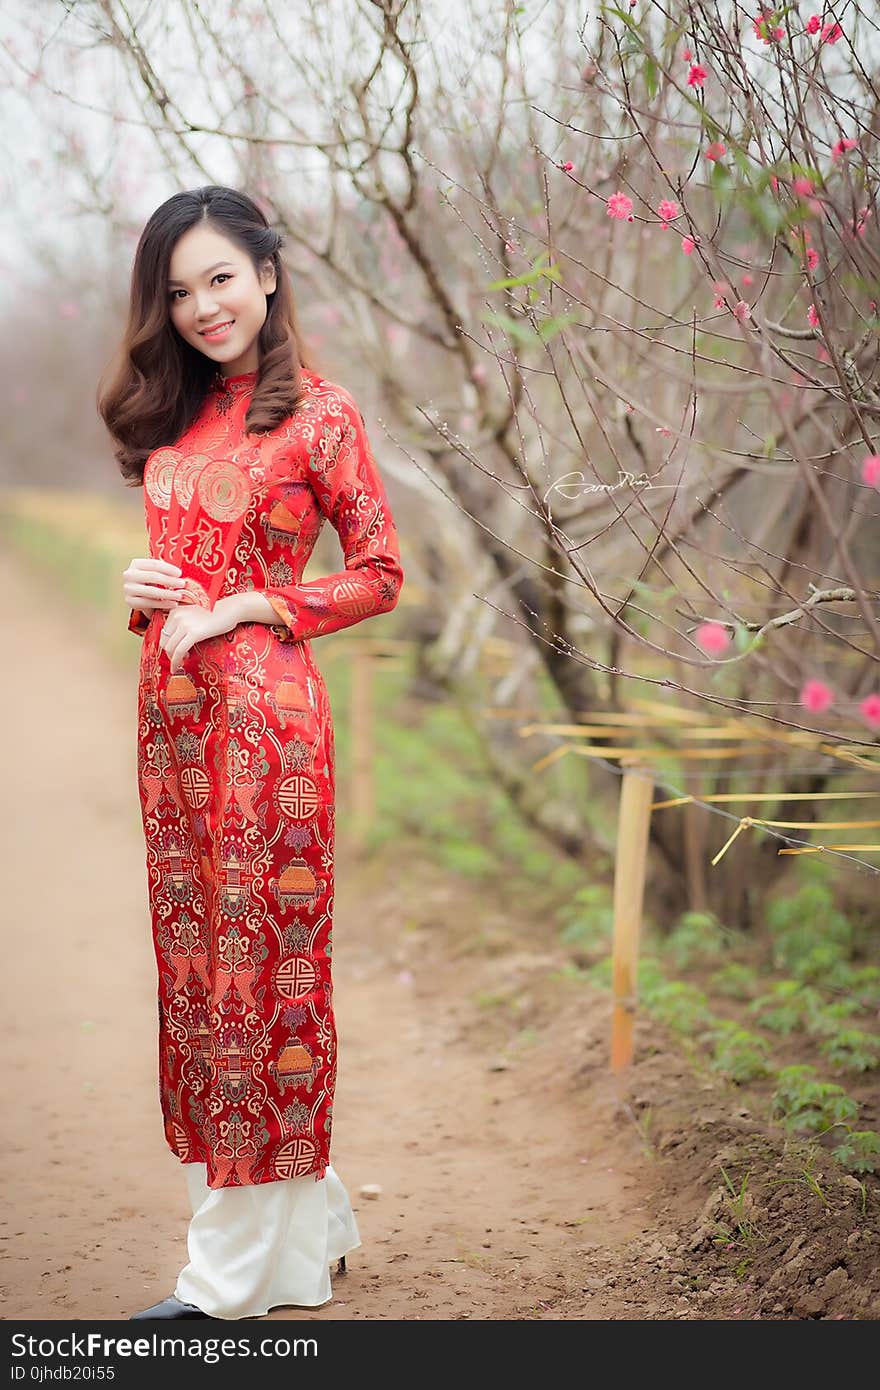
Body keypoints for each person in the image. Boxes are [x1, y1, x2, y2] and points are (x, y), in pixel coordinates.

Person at [98, 185, 404, 1319]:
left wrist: (248, 610)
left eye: (219, 278)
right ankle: (311, 1231)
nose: (200, 307)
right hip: (175, 728)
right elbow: (182, 567)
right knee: (202, 981)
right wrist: (148, 593)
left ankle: (221, 1285)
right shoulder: (177, 421)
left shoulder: (319, 415)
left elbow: (379, 570)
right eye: (176, 293)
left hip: (268, 732)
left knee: (256, 987)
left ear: (268, 274)